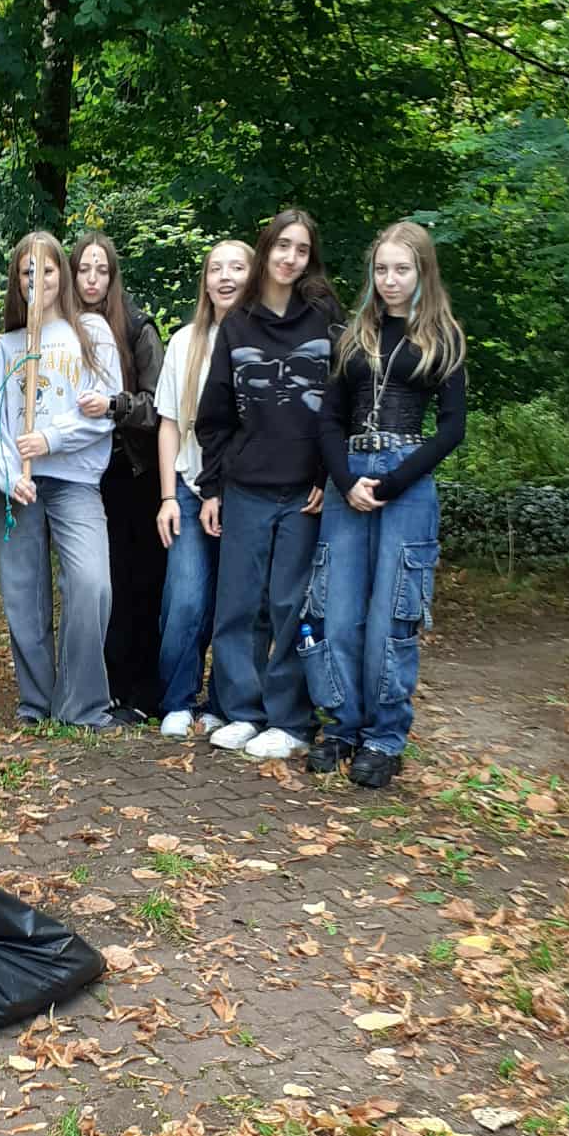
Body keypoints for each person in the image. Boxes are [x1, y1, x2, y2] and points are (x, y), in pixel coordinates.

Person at [303, 219, 467, 788]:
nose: (389, 280)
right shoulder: (354, 336)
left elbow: (452, 429)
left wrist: (393, 483)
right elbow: (328, 419)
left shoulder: (443, 337)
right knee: (336, 609)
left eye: (401, 269)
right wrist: (345, 479)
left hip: (406, 482)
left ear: (422, 273)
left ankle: (384, 738)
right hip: (348, 478)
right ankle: (342, 726)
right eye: (381, 269)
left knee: (391, 615)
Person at [197, 209, 342, 761]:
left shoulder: (324, 320)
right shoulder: (238, 324)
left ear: (310, 258)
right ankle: (243, 712)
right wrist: (213, 486)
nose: (290, 258)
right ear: (266, 250)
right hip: (246, 488)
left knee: (290, 606)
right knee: (238, 606)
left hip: (304, 492)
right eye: (282, 246)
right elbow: (213, 417)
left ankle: (289, 720)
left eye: (301, 249)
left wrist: (328, 474)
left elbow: (342, 407)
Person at [0, 232, 122, 730]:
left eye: (45, 270)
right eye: (27, 271)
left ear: (61, 275)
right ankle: (37, 701)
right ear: (16, 279)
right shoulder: (6, 347)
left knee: (91, 583)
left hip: (75, 481)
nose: (36, 279)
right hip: (20, 488)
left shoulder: (90, 332)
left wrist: (51, 437)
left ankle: (81, 704)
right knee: (23, 595)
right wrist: (8, 476)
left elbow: (103, 411)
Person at [153, 241, 253, 738]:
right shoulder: (185, 342)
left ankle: (222, 702)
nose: (225, 276)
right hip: (191, 488)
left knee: (236, 604)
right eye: (216, 268)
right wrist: (168, 496)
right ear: (205, 281)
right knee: (187, 597)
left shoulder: (263, 343)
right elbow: (169, 424)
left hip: (249, 493)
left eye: (237, 267)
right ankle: (177, 699)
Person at [71, 230, 165, 724]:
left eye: (101, 270)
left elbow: (159, 405)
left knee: (138, 581)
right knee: (99, 582)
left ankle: (142, 693)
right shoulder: (61, 326)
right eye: (83, 269)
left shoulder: (137, 326)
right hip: (80, 473)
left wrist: (114, 404)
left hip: (133, 469)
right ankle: (103, 685)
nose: (92, 279)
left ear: (113, 275)